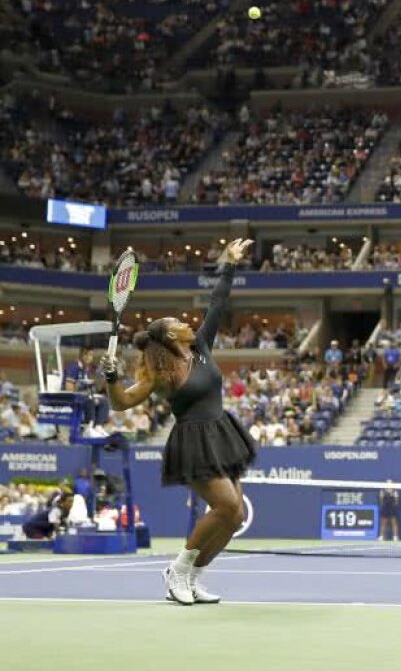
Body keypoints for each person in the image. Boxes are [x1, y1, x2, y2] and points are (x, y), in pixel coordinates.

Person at [102, 238, 257, 606]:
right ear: (170, 335)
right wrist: (111, 379)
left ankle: (194, 577)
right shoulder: (160, 374)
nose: (186, 322)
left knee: (234, 517)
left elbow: (217, 302)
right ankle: (176, 570)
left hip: (222, 433)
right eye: (177, 322)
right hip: (193, 442)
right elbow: (122, 402)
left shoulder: (201, 346)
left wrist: (230, 263)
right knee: (223, 506)